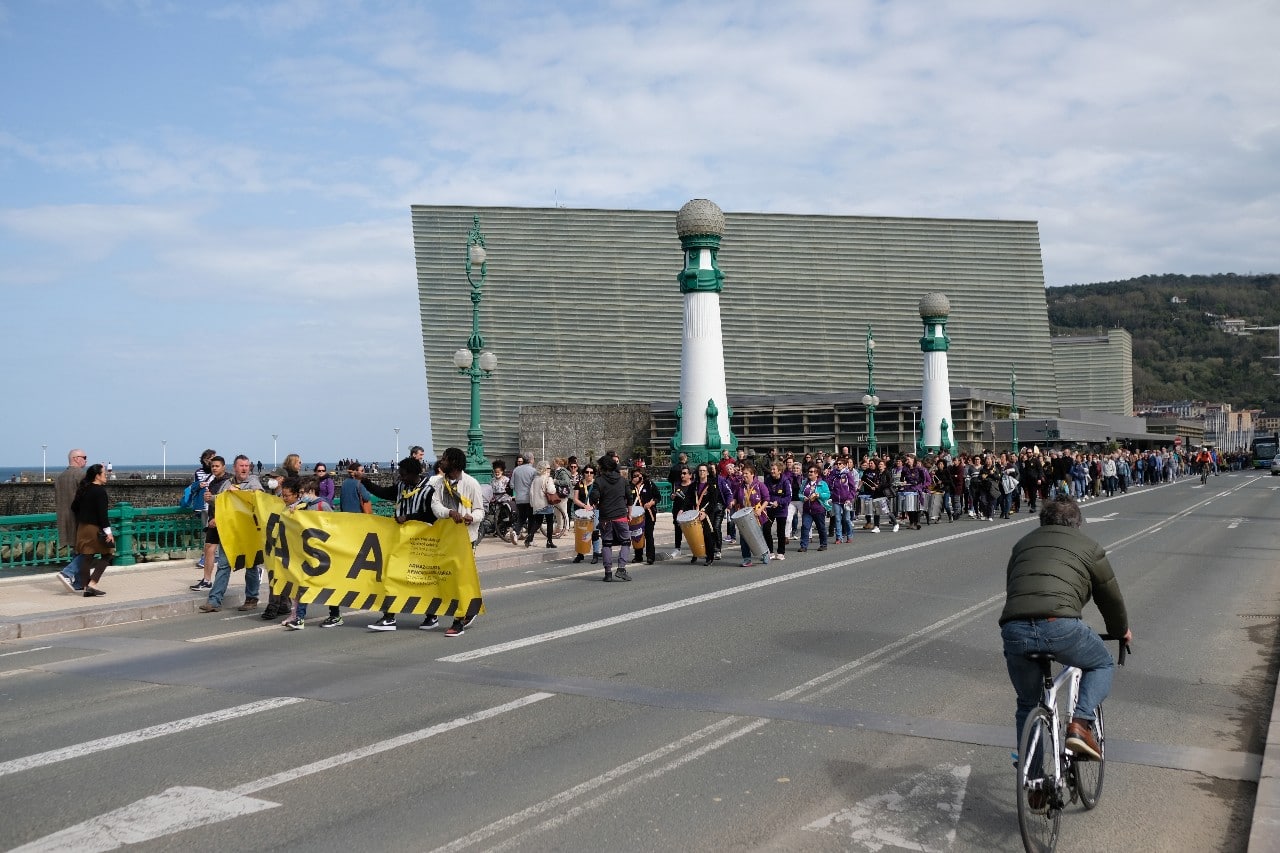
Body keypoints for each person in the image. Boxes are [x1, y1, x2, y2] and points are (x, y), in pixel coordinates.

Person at [999, 496, 1132, 760]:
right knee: (1102, 663)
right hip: (1059, 626)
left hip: (1014, 629)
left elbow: (1015, 588)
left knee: (1027, 703)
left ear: (1042, 521)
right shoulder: (1089, 547)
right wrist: (1120, 630)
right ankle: (1080, 725)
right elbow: (1110, 597)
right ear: (1077, 523)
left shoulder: (1022, 545)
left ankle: (1032, 778)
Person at [365, 456, 437, 631]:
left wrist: (409, 518)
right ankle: (389, 616)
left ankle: (431, 615)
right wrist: (364, 481)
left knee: (421, 580)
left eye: (403, 474)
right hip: (399, 541)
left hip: (420, 543)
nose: (401, 477)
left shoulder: (429, 490)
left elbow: (431, 515)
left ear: (413, 473)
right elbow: (383, 493)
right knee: (390, 576)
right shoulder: (400, 487)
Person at [198, 455, 265, 615]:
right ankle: (214, 601)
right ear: (234, 468)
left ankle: (251, 598)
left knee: (251, 565)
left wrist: (239, 492)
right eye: (241, 466)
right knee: (223, 565)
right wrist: (210, 499)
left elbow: (258, 498)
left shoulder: (253, 481)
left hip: (248, 532)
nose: (244, 468)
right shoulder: (227, 483)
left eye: (247, 466)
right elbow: (221, 501)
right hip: (230, 532)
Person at [430, 446, 485, 636]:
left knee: (460, 578)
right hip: (444, 537)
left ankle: (459, 620)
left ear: (453, 462)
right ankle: (464, 610)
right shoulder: (438, 483)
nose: (441, 461)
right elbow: (435, 505)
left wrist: (471, 517)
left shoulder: (471, 483)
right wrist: (449, 512)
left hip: (465, 538)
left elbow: (480, 510)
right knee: (446, 578)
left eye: (445, 459)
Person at [281, 476, 333, 630]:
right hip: (308, 552)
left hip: (323, 553)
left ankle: (335, 614)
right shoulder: (302, 506)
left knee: (330, 584)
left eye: (303, 492)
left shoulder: (323, 505)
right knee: (303, 584)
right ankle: (299, 618)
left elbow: (334, 524)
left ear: (312, 491)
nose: (301, 495)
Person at [70, 463, 114, 596]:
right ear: (97, 476)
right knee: (108, 553)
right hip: (94, 528)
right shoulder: (100, 491)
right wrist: (108, 532)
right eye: (104, 473)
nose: (106, 475)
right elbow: (103, 514)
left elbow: (74, 507)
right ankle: (92, 584)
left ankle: (86, 588)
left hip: (82, 528)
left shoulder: (84, 489)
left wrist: (84, 515)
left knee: (87, 557)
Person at [54, 448, 89, 591]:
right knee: (89, 549)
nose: (86, 460)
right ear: (76, 458)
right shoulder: (82, 475)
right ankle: (68, 572)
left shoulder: (60, 477)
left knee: (78, 550)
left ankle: (79, 583)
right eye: (84, 457)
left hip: (64, 520)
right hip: (80, 519)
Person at [594, 453, 632, 582]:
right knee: (626, 542)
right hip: (620, 515)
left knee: (607, 543)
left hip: (605, 516)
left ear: (603, 467)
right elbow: (629, 497)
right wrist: (629, 513)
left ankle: (608, 573)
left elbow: (594, 497)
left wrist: (597, 503)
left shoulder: (599, 480)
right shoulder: (622, 480)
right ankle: (621, 568)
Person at [189, 449, 218, 590]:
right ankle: (207, 557)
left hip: (214, 507)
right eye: (209, 459)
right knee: (206, 533)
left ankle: (209, 557)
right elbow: (192, 487)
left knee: (211, 534)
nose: (211, 462)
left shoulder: (216, 472)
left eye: (213, 459)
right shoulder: (198, 472)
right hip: (203, 506)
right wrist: (199, 485)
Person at [628, 465, 660, 565]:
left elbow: (657, 497)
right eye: (634, 476)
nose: (636, 477)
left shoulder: (649, 484)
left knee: (649, 534)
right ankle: (638, 556)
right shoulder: (630, 486)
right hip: (635, 515)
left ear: (642, 475)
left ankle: (650, 556)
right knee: (637, 534)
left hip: (648, 513)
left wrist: (651, 503)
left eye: (638, 475)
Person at [572, 462, 601, 564]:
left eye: (591, 472)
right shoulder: (579, 484)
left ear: (594, 474)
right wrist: (584, 506)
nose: (589, 474)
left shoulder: (597, 484)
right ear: (584, 473)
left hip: (594, 511)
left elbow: (602, 497)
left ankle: (596, 554)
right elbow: (575, 499)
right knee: (581, 532)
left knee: (595, 532)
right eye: (587, 472)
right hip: (582, 512)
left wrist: (594, 506)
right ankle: (580, 554)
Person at [798, 464, 831, 552]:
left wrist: (818, 495)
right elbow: (800, 493)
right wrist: (803, 498)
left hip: (818, 509)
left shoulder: (822, 483)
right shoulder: (805, 483)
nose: (810, 473)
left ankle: (823, 544)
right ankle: (803, 546)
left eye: (812, 472)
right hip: (807, 510)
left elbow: (827, 495)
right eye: (809, 471)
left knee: (821, 527)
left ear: (817, 474)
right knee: (805, 527)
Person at [526, 460, 558, 548]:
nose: (550, 469)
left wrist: (532, 504)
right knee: (549, 522)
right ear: (544, 469)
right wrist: (554, 488)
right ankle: (549, 541)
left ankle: (530, 535)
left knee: (537, 522)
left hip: (537, 504)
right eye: (548, 468)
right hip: (546, 503)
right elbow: (551, 490)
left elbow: (531, 493)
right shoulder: (548, 479)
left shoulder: (535, 479)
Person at [510, 454, 537, 543]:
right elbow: (535, 485)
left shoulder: (516, 470)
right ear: (531, 460)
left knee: (521, 517)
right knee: (531, 518)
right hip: (529, 498)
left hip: (519, 498)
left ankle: (516, 531)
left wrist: (518, 489)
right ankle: (530, 540)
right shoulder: (533, 471)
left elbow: (511, 485)